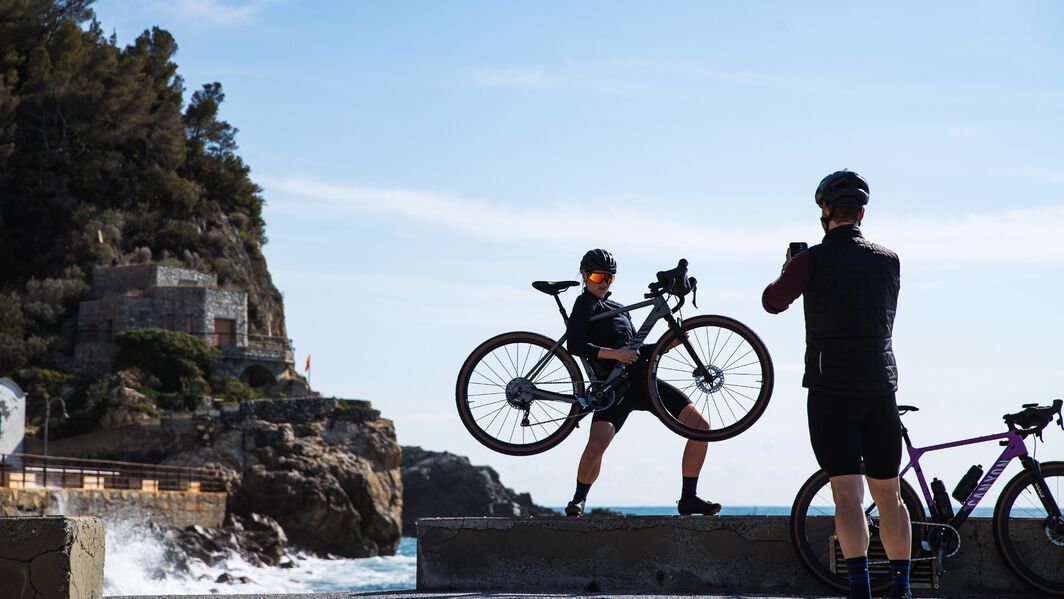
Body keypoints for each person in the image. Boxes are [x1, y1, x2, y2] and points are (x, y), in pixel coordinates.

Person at [761, 170, 911, 599]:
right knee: (890, 495)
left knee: (848, 495)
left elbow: (773, 302)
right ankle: (902, 589)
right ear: (862, 212)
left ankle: (860, 590)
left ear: (825, 211)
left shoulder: (812, 260)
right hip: (881, 386)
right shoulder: (889, 258)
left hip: (831, 391)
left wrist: (790, 267)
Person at [563, 248, 721, 518]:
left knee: (701, 427)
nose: (603, 283)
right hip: (615, 389)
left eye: (609, 278)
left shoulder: (619, 309)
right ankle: (578, 501)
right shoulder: (585, 304)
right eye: (599, 276)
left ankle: (688, 498)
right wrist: (614, 355)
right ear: (585, 276)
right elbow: (575, 344)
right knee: (596, 445)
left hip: (645, 381)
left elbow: (637, 351)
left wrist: (666, 346)